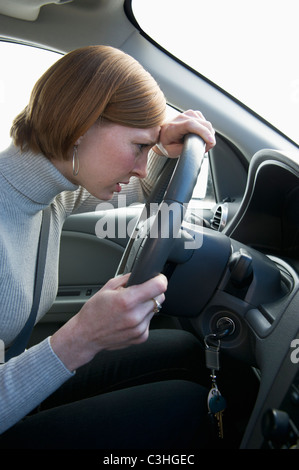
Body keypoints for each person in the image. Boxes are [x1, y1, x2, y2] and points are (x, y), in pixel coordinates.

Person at [0, 45, 216, 449]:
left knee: (186, 350)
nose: (140, 165)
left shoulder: (52, 192)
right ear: (81, 125)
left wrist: (161, 144)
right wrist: (82, 336)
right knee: (187, 407)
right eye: (137, 147)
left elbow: (143, 187)